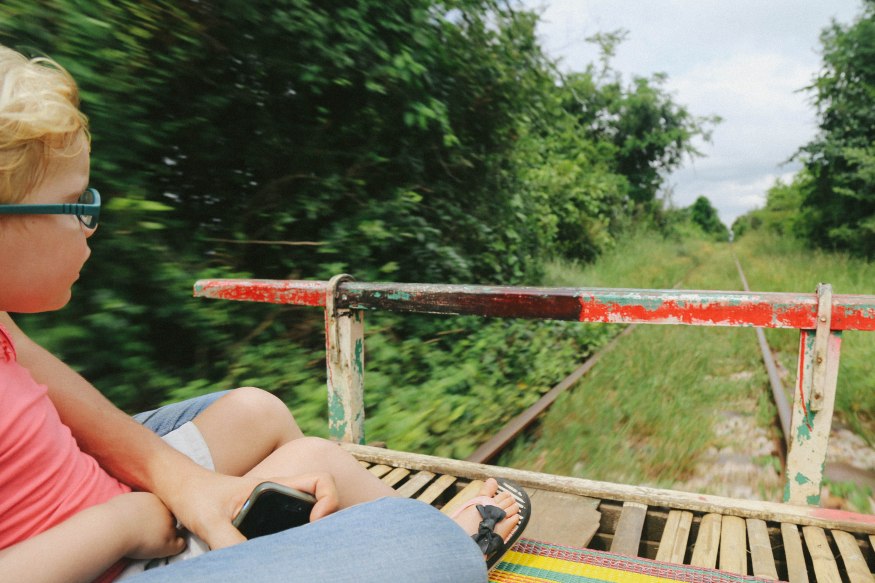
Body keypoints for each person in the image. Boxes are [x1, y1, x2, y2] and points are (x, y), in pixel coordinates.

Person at [0, 45, 528, 582]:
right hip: (96, 554)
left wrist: (181, 484)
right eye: (78, 203)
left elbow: (28, 363)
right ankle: (429, 548)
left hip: (101, 510)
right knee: (427, 544)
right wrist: (122, 522)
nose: (93, 222)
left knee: (267, 418)